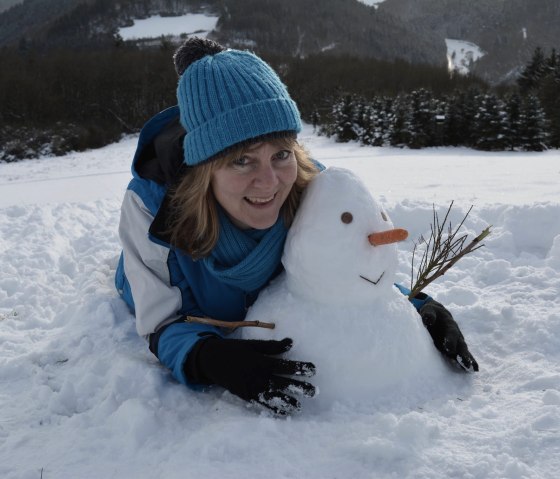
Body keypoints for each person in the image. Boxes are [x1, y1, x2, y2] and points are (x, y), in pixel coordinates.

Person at [115, 37, 478, 416]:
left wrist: (418, 305)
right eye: (242, 160)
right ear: (206, 168)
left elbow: (339, 264)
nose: (270, 181)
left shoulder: (311, 186)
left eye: (281, 153)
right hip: (144, 277)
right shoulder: (152, 210)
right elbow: (159, 320)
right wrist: (208, 357)